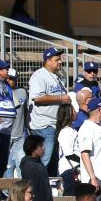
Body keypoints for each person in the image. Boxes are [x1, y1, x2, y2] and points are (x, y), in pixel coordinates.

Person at [27, 47, 70, 176]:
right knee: (44, 158)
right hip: (44, 124)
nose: (60, 62)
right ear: (48, 61)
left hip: (55, 124)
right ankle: (36, 186)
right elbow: (38, 98)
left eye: (60, 59)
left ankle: (50, 187)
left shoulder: (56, 77)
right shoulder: (39, 75)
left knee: (53, 160)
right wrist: (62, 98)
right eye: (57, 59)